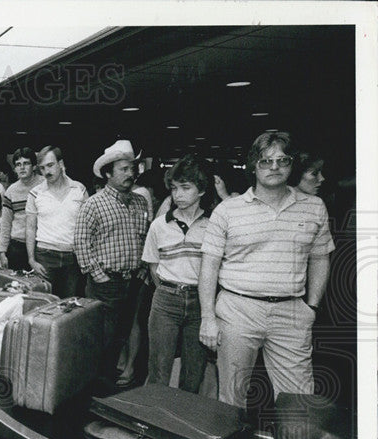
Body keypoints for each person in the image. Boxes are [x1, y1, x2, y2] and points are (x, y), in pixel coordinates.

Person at [199, 131, 333, 409]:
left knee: (299, 399)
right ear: (253, 166)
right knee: (231, 398)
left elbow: (320, 259)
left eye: (282, 160)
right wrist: (207, 317)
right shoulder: (228, 210)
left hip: (292, 312)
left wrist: (312, 307)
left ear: (292, 164)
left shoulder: (314, 207)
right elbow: (209, 265)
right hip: (237, 309)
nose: (274, 167)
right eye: (265, 161)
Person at [73, 140, 151, 387]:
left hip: (133, 281)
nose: (131, 174)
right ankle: (94, 389)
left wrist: (142, 271)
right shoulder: (94, 204)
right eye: (124, 169)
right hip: (105, 282)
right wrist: (98, 275)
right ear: (108, 173)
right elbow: (81, 243)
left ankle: (107, 386)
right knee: (102, 338)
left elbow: (143, 238)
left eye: (132, 169)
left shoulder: (139, 202)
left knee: (123, 335)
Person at [142, 155, 217, 392]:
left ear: (202, 190)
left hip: (200, 304)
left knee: (193, 372)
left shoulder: (214, 225)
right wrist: (169, 289)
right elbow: (153, 266)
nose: (178, 195)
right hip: (166, 299)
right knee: (159, 369)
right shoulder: (159, 225)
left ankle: (182, 423)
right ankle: (152, 420)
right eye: (174, 188)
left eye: (186, 188)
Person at [26, 146, 89, 296]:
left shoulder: (79, 189)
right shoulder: (35, 194)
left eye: (50, 165)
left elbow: (88, 226)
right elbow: (30, 228)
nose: (46, 171)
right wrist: (31, 260)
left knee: (69, 307)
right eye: (42, 168)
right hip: (45, 256)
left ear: (61, 164)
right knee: (43, 303)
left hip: (73, 257)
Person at [0, 146, 43, 272]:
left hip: (41, 245)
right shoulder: (11, 191)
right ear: (14, 169)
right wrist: (2, 252)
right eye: (18, 164)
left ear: (34, 166)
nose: (22, 167)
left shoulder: (44, 186)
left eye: (26, 163)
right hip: (18, 247)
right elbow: (6, 223)